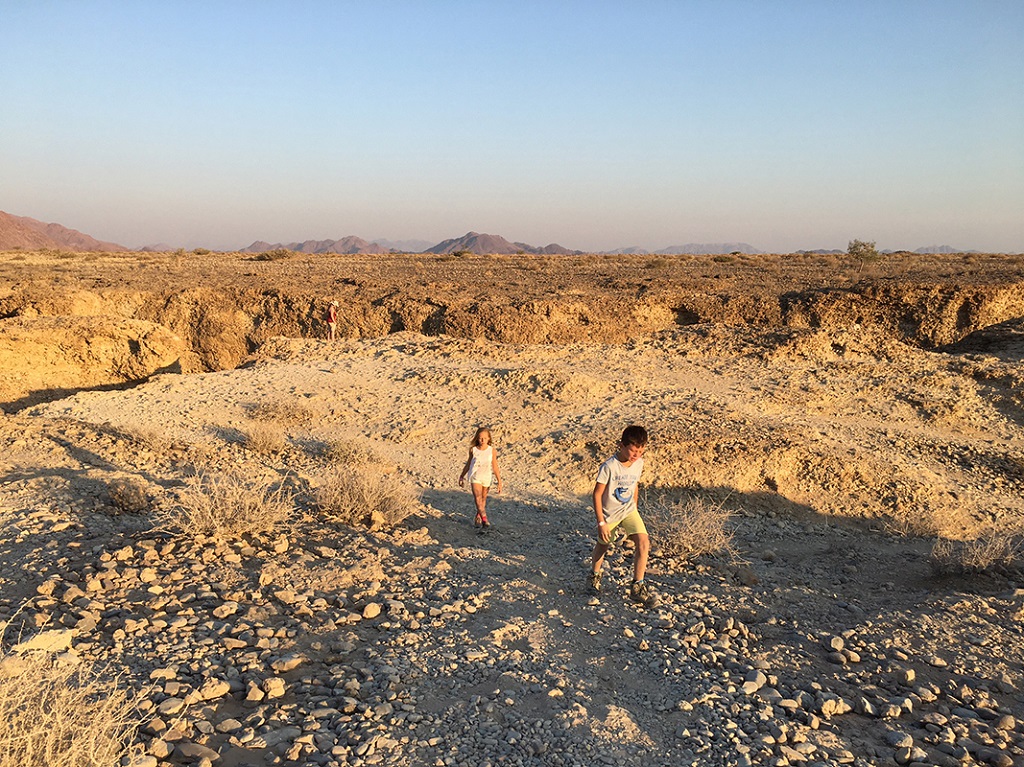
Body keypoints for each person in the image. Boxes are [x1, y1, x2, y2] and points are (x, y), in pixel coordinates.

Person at [588, 425, 659, 608]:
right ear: (621, 445)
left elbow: (635, 484)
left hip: (628, 510)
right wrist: (601, 522)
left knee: (644, 542)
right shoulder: (609, 467)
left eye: (640, 451)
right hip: (609, 514)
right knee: (603, 546)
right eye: (633, 450)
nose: (636, 455)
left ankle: (638, 586)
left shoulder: (639, 463)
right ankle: (594, 576)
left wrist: (634, 505)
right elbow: (597, 494)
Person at [458, 427, 503, 530]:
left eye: (485, 438)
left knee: (483, 500)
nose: (482, 440)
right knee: (478, 498)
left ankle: (478, 516)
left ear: (489, 439)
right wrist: (462, 476)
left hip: (487, 476)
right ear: (477, 438)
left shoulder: (492, 451)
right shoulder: (473, 450)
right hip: (475, 476)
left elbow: (495, 466)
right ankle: (485, 520)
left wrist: (499, 481)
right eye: (480, 438)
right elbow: (468, 464)